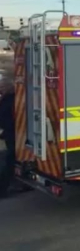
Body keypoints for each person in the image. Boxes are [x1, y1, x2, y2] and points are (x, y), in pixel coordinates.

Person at [0, 59, 16, 197]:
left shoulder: (9, 98)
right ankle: (3, 187)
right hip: (12, 133)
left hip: (10, 132)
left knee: (10, 157)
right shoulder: (11, 99)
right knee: (10, 158)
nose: (1, 85)